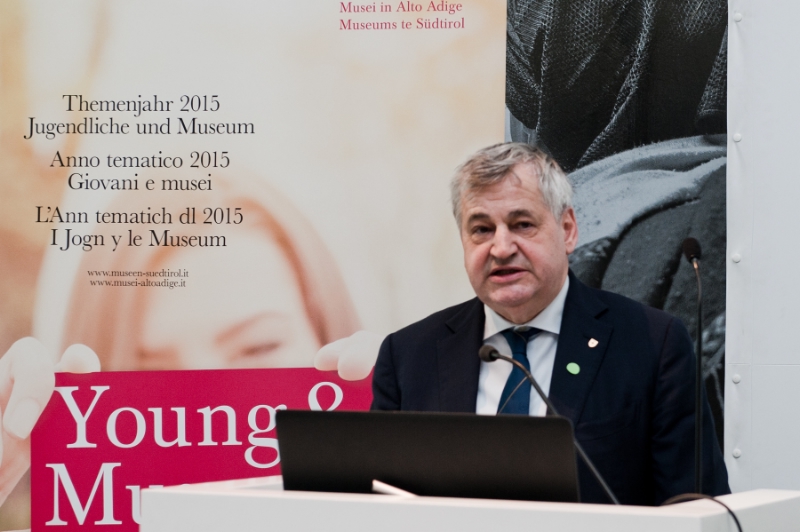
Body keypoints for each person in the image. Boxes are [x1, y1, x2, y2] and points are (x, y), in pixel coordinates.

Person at [370, 143, 730, 505]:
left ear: (568, 230)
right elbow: (377, 504)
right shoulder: (408, 356)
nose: (501, 248)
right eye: (481, 229)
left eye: (522, 224)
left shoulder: (651, 344)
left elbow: (696, 507)